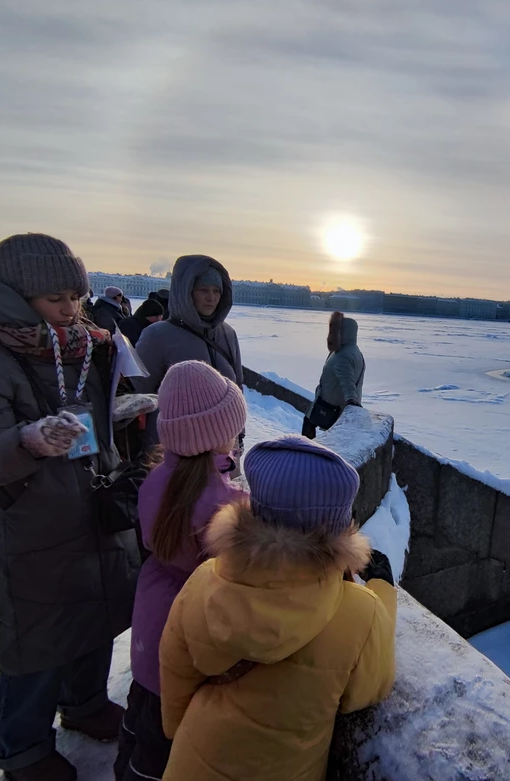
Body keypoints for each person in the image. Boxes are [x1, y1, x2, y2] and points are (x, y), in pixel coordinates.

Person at [0, 233, 141, 781]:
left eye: (76, 297)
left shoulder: (86, 345)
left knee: (96, 614)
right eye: (56, 299)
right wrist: (27, 441)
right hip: (30, 522)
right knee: (36, 639)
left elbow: (90, 424)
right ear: (17, 295)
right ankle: (21, 745)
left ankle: (85, 704)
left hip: (94, 508)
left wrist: (123, 414)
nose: (70, 309)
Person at [158, 436, 397, 781]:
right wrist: (381, 589)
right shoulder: (361, 616)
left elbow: (175, 671)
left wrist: (180, 735)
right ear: (338, 529)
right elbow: (370, 687)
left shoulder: (203, 581)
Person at [115, 360, 248, 781]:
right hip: (190, 631)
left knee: (143, 715)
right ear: (216, 437)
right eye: (233, 430)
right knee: (168, 740)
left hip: (152, 618)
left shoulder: (155, 480)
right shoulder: (225, 506)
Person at [135, 256, 243, 449]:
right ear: (186, 292)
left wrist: (239, 436)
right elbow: (139, 396)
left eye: (217, 291)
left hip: (223, 453)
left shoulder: (228, 334)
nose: (212, 298)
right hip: (175, 455)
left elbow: (237, 388)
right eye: (204, 290)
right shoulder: (157, 335)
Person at [302, 311, 365, 439]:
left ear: (343, 332)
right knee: (309, 425)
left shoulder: (343, 355)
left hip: (331, 407)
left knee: (308, 428)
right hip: (332, 404)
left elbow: (348, 382)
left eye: (335, 331)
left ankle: (308, 455)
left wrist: (351, 402)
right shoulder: (353, 351)